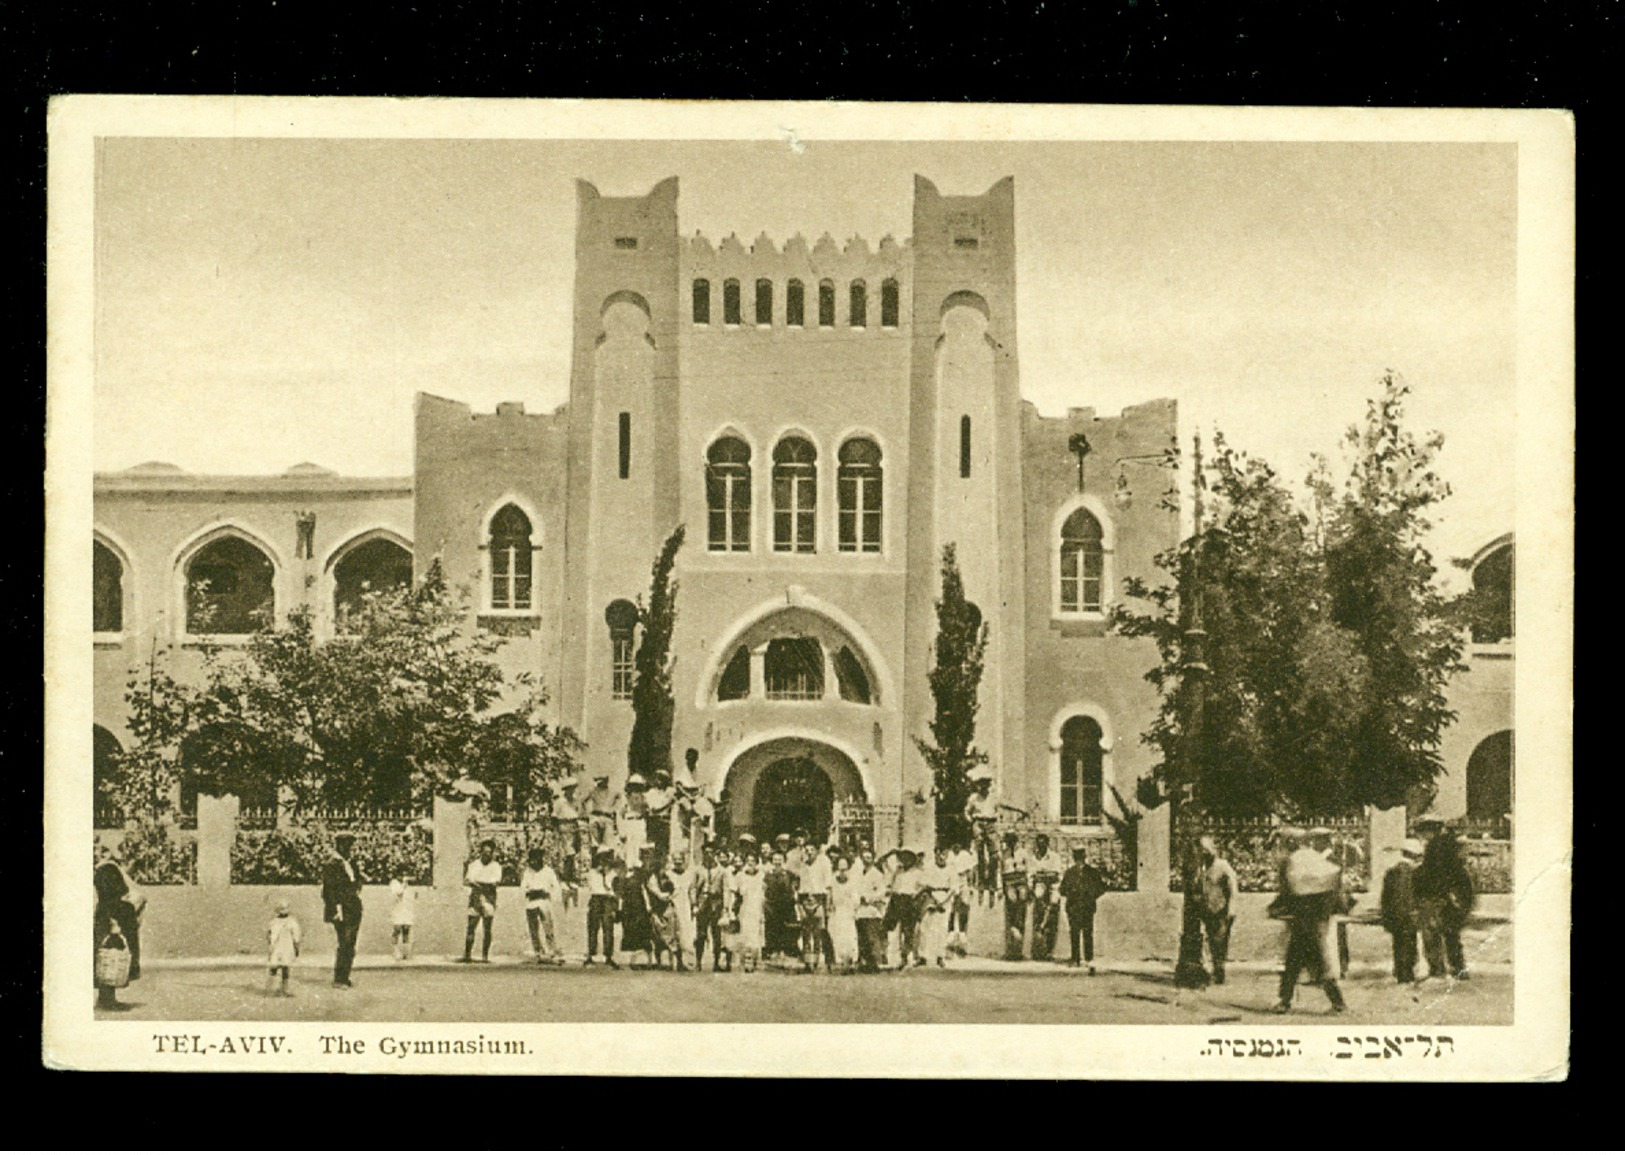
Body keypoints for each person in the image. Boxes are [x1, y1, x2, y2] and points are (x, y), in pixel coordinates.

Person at [1272, 829, 1348, 1014]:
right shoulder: (1314, 859)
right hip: (1314, 917)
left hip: (1304, 918)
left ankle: (1337, 1004)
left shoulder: (1294, 861)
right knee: (1299, 960)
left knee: (1310, 961)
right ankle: (1285, 1000)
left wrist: (1277, 907)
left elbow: (1290, 890)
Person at [1414, 827, 1475, 983]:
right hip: (1446, 900)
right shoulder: (1456, 867)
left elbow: (1422, 882)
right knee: (1451, 936)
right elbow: (1465, 890)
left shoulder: (1433, 855)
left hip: (1435, 899)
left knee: (1433, 936)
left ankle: (1438, 969)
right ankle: (1458, 969)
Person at [93, 837, 144, 1010]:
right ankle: (106, 1000)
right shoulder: (108, 870)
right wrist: (114, 923)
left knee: (110, 958)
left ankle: (107, 998)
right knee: (111, 956)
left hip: (111, 917)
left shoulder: (106, 869)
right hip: (113, 919)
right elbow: (110, 897)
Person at [321, 833, 364, 988]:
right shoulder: (332, 864)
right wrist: (336, 908)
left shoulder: (348, 863)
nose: (350, 850)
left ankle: (344, 977)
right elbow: (329, 890)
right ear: (341, 846)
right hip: (342, 909)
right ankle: (339, 978)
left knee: (350, 943)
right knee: (345, 942)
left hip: (352, 906)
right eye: (348, 846)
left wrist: (357, 886)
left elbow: (356, 881)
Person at [1380, 838, 1425, 983]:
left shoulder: (1391, 872)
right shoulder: (1416, 872)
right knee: (1410, 942)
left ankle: (1400, 971)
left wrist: (1386, 914)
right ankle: (1407, 973)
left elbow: (1385, 896)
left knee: (1398, 943)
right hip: (1410, 913)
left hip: (1395, 913)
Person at [1195, 835, 1239, 984]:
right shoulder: (1201, 867)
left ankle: (1219, 972)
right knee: (1211, 940)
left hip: (1222, 910)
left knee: (1219, 941)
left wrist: (1231, 908)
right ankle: (1215, 969)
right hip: (1208, 909)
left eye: (1207, 849)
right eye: (1202, 850)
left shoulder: (1222, 865)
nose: (1205, 853)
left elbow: (1233, 887)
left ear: (1214, 850)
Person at [1060, 845, 1108, 972]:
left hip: (1087, 906)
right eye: (1076, 857)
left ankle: (1088, 958)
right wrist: (1071, 893)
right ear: (1074, 858)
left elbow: (1101, 888)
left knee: (1087, 932)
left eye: (1080, 857)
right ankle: (1075, 958)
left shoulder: (1092, 872)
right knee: (1074, 932)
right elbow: (1062, 889)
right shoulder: (1069, 873)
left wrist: (1091, 896)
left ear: (1084, 857)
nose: (1079, 859)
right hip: (1073, 906)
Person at [884, 848, 926, 968]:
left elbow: (924, 887)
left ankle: (904, 957)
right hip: (897, 900)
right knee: (893, 929)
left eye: (908, 858)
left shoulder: (918, 873)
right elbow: (890, 882)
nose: (905, 860)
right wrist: (892, 853)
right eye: (903, 858)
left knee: (908, 930)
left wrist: (916, 895)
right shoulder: (898, 872)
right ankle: (892, 956)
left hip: (909, 901)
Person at [462, 839, 502, 963]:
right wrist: (483, 884)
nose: (487, 855)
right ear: (481, 852)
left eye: (489, 852)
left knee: (487, 928)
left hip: (489, 900)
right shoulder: (474, 865)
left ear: (493, 853)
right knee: (471, 926)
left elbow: (495, 883)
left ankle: (485, 955)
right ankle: (467, 954)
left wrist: (478, 883)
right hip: (475, 899)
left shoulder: (496, 866)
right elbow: (468, 881)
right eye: (485, 852)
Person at [795, 842, 833, 972]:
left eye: (812, 849)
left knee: (818, 933)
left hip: (818, 900)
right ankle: (807, 963)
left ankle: (817, 961)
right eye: (807, 850)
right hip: (805, 900)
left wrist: (826, 905)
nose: (809, 852)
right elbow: (799, 886)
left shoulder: (823, 864)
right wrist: (800, 905)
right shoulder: (803, 866)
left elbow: (828, 886)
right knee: (806, 933)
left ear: (817, 851)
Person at [521, 846, 563, 964]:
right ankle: (538, 952)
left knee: (548, 928)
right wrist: (531, 891)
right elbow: (524, 887)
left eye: (537, 859)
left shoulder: (548, 871)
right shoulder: (528, 872)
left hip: (544, 902)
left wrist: (546, 892)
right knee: (533, 929)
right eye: (532, 859)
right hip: (531, 902)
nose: (535, 861)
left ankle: (552, 951)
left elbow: (555, 887)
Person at [1028, 834, 1065, 961]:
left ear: (1047, 844)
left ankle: (1050, 950)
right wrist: (1044, 875)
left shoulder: (1055, 857)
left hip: (1053, 886)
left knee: (1054, 902)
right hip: (1040, 886)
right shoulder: (1034, 858)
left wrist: (1042, 874)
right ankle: (1039, 949)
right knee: (1038, 897)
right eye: (1039, 844)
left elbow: (1055, 875)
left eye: (1043, 844)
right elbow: (1032, 876)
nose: (1041, 847)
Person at [644, 850, 682, 969]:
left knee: (672, 935)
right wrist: (661, 895)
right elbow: (654, 891)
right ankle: (659, 961)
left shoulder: (669, 876)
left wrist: (670, 895)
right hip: (657, 908)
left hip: (668, 909)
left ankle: (675, 962)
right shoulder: (652, 878)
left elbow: (677, 888)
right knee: (657, 935)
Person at [729, 852, 767, 972]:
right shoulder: (740, 876)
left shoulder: (762, 876)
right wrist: (732, 910)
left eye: (753, 861)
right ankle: (746, 962)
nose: (750, 863)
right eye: (748, 861)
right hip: (745, 909)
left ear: (757, 863)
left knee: (756, 935)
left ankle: (755, 961)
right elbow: (736, 894)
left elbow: (765, 893)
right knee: (745, 934)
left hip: (758, 908)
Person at [694, 846, 729, 971]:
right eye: (706, 852)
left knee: (716, 935)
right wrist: (694, 905)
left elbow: (725, 889)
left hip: (716, 904)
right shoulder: (698, 869)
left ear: (715, 854)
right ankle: (698, 962)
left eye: (711, 852)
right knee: (700, 934)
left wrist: (725, 907)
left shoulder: (722, 870)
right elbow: (693, 888)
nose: (708, 855)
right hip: (703, 904)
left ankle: (716, 962)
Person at [584, 849, 620, 968]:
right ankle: (591, 955)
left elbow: (614, 890)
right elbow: (592, 887)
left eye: (606, 858)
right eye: (602, 858)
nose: (604, 861)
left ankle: (608, 956)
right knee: (593, 927)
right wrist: (601, 874)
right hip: (596, 899)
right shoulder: (592, 873)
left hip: (608, 900)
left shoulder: (614, 874)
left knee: (608, 927)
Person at [855, 847, 889, 972]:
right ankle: (864, 962)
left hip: (872, 909)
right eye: (864, 858)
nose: (866, 860)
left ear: (873, 859)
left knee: (872, 937)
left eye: (868, 858)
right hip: (860, 910)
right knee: (862, 937)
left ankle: (875, 962)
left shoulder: (877, 874)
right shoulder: (859, 873)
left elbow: (881, 892)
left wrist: (869, 898)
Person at [919, 848, 955, 967]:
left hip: (945, 899)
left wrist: (942, 902)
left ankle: (940, 956)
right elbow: (925, 885)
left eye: (944, 854)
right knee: (924, 927)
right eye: (939, 854)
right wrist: (933, 900)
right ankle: (922, 956)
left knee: (942, 928)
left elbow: (953, 889)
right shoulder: (930, 868)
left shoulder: (951, 870)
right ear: (935, 854)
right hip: (931, 897)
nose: (941, 857)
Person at [619, 845, 654, 967]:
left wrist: (648, 906)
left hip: (641, 908)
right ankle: (637, 960)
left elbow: (645, 891)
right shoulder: (632, 878)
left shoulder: (644, 876)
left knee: (645, 933)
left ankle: (648, 959)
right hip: (634, 908)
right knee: (634, 933)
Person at [763, 849, 800, 963]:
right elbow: (764, 889)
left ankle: (787, 956)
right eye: (775, 859)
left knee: (787, 931)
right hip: (772, 907)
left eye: (779, 859)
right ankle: (774, 955)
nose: (777, 862)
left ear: (784, 860)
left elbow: (796, 885)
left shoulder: (789, 874)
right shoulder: (768, 874)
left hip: (786, 907)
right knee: (772, 930)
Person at [999, 832, 1031, 961]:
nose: (1010, 843)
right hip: (1009, 882)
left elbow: (1029, 870)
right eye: (1008, 841)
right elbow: (999, 872)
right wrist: (1000, 888)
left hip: (1021, 881)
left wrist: (1029, 885)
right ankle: (1011, 949)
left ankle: (1019, 948)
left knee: (1022, 904)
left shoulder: (1023, 853)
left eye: (1012, 840)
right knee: (1012, 904)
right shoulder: (1003, 854)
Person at [828, 855, 862, 973]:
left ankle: (852, 961)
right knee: (838, 937)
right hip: (838, 912)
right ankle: (842, 962)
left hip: (849, 912)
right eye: (840, 868)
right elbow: (831, 896)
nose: (842, 871)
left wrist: (853, 909)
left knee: (850, 936)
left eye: (845, 868)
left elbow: (856, 898)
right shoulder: (833, 879)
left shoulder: (853, 880)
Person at [266, 898, 302, 997]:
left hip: (277, 948)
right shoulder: (292, 922)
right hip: (286, 948)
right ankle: (283, 989)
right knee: (285, 969)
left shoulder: (273, 922)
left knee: (274, 968)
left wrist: (270, 946)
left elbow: (269, 935)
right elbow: (296, 937)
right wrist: (297, 947)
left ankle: (271, 989)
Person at [946, 841, 977, 957]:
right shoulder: (949, 854)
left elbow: (971, 871)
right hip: (951, 881)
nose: (956, 846)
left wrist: (971, 885)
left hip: (962, 881)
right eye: (954, 843)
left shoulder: (965, 855)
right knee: (951, 909)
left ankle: (962, 937)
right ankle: (950, 938)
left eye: (958, 843)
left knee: (964, 907)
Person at [585, 773, 619, 849]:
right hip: (595, 817)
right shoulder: (593, 791)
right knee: (595, 845)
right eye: (598, 781)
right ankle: (595, 860)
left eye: (603, 781)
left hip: (608, 818)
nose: (600, 783)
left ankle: (605, 860)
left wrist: (614, 808)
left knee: (608, 845)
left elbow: (621, 801)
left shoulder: (613, 792)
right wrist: (586, 814)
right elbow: (582, 801)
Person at [388, 873, 417, 961]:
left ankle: (406, 953)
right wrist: (404, 884)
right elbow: (399, 893)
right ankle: (395, 951)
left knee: (406, 930)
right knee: (397, 929)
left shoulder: (409, 885)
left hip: (407, 909)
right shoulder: (394, 883)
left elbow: (413, 896)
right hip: (398, 909)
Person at [620, 775, 650, 859]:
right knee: (629, 845)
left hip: (640, 822)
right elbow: (621, 813)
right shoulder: (626, 797)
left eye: (638, 785)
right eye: (634, 785)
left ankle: (638, 867)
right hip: (629, 821)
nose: (636, 788)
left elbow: (647, 809)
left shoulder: (644, 797)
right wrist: (621, 828)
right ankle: (630, 868)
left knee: (641, 844)